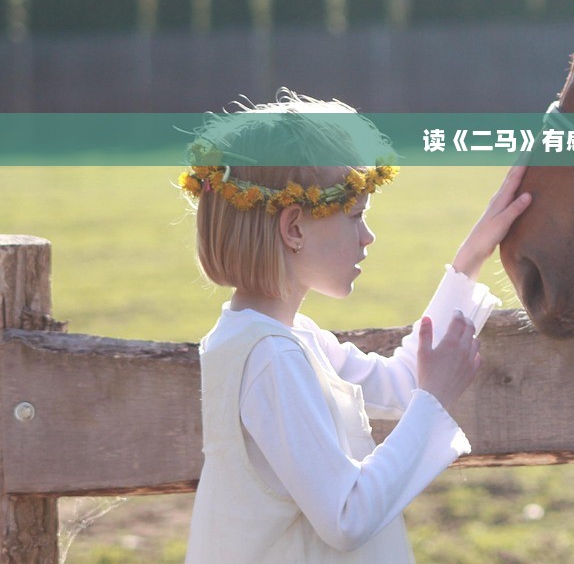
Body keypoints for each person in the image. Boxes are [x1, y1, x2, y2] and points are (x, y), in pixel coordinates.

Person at [181, 91, 531, 563]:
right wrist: (436, 400)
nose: (368, 237)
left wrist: (471, 257)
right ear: (294, 229)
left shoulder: (288, 339)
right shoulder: (271, 357)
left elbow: (402, 382)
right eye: (355, 216)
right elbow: (347, 516)